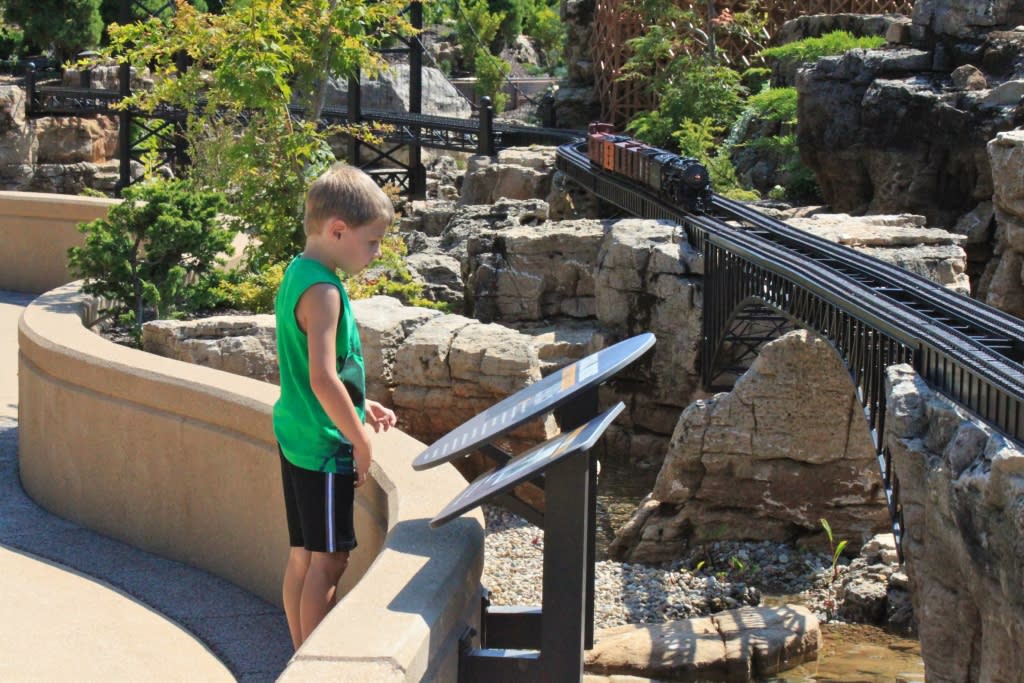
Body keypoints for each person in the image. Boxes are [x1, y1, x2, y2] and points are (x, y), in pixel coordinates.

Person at [273, 163, 398, 650]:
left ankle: (297, 655)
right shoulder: (324, 292)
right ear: (337, 230)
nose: (377, 251)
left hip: (296, 434)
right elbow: (323, 377)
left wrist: (361, 407)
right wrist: (360, 441)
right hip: (324, 451)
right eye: (371, 242)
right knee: (330, 561)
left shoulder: (298, 272)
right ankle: (315, 666)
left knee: (303, 555)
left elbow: (316, 372)